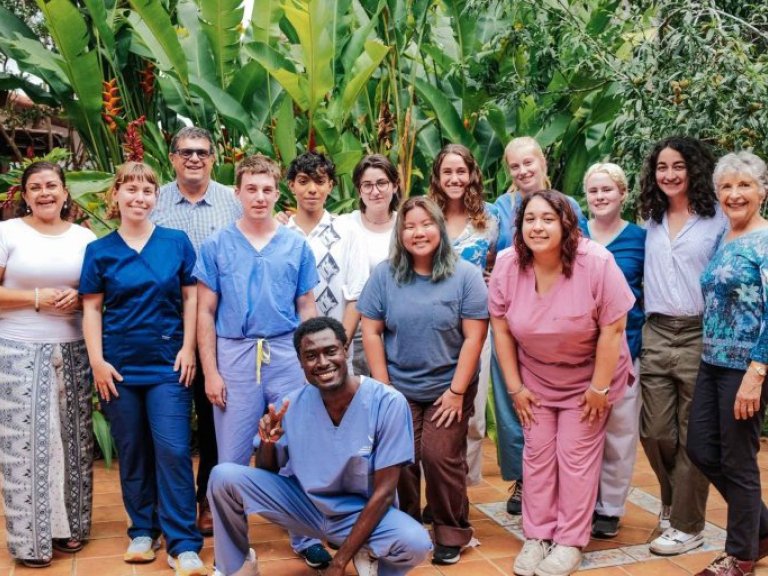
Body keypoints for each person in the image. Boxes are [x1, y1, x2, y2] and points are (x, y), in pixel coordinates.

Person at [207, 316, 433, 576]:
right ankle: (237, 566)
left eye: (331, 351)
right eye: (311, 355)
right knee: (223, 476)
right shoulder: (290, 404)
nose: (323, 362)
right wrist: (268, 445)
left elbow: (384, 493)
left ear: (345, 350)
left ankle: (372, 558)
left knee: (415, 541)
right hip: (305, 507)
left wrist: (339, 563)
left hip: (358, 513)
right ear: (300, 362)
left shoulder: (387, 402)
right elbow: (267, 473)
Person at [194, 154, 331, 568]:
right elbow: (204, 311)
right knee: (230, 459)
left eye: (267, 189)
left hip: (286, 352)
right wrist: (212, 372)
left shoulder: (294, 245)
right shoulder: (217, 244)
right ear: (237, 192)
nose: (259, 197)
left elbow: (307, 306)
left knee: (294, 446)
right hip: (235, 355)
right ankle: (232, 554)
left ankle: (304, 536)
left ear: (278, 193)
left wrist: (312, 367)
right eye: (251, 189)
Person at [489, 190, 634, 576]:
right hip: (536, 375)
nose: (537, 226)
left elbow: (613, 327)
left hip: (591, 375)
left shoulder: (596, 262)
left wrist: (599, 388)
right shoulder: (507, 264)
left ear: (566, 223)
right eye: (530, 219)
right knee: (536, 455)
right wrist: (516, 388)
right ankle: (537, 536)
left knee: (575, 458)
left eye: (548, 219)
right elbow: (500, 328)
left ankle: (569, 541)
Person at [80, 162, 206, 575]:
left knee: (172, 450)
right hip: (118, 368)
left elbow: (191, 299)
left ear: (156, 198)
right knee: (132, 450)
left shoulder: (176, 242)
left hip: (168, 365)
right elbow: (92, 309)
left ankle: (183, 543)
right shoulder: (99, 251)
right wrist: (97, 361)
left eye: (147, 190)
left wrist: (189, 349)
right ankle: (142, 531)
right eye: (130, 189)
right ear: (114, 195)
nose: (138, 197)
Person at [358, 197, 489, 565]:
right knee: (401, 458)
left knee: (439, 454)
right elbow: (371, 332)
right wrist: (385, 390)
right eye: (409, 226)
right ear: (400, 234)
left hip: (450, 385)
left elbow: (474, 339)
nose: (419, 232)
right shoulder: (385, 275)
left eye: (426, 224)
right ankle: (405, 527)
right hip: (398, 386)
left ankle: (452, 529)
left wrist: (455, 393)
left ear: (440, 229)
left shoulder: (465, 276)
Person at [0, 161, 95, 567]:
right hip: (19, 346)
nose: (44, 193)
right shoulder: (7, 233)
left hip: (73, 347)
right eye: (35, 187)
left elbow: (96, 291)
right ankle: (30, 542)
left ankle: (71, 529)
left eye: (51, 185)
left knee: (74, 442)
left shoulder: (85, 237)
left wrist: (78, 297)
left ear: (65, 191)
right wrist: (36, 297)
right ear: (24, 194)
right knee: (27, 448)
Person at [490, 136, 588, 516]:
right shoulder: (499, 208)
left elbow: (583, 256)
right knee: (513, 399)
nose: (523, 171)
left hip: (559, 321)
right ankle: (522, 479)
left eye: (528, 162)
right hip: (513, 319)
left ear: (542, 160)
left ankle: (565, 481)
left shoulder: (568, 205)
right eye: (515, 166)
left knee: (560, 401)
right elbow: (469, 237)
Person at [638, 136, 726, 556]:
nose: (669, 174)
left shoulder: (717, 219)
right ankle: (676, 503)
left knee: (694, 433)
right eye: (661, 167)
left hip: (698, 330)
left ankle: (687, 525)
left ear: (693, 169)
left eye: (677, 166)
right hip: (656, 329)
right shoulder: (651, 219)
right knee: (654, 430)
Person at [152, 126, 242, 535]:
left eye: (202, 153)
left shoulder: (232, 202)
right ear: (172, 158)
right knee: (166, 422)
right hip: (161, 326)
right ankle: (166, 503)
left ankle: (207, 499)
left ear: (213, 158)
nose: (194, 158)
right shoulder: (154, 202)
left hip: (215, 326)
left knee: (211, 420)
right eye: (185, 151)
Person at [687, 151, 768, 576]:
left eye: (744, 185)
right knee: (701, 448)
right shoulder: (726, 236)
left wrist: (757, 374)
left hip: (747, 366)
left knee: (738, 458)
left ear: (762, 192)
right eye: (727, 187)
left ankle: (740, 555)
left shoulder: (766, 240)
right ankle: (763, 527)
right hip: (712, 359)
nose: (734, 194)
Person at [582, 163, 646, 538]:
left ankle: (610, 507)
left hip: (627, 347)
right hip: (579, 352)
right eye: (594, 191)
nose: (601, 197)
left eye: (608, 190)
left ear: (623, 194)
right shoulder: (574, 235)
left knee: (620, 431)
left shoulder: (639, 239)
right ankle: (583, 501)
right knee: (583, 430)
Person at [428, 143, 498, 486]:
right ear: (438, 178)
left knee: (471, 416)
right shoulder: (426, 216)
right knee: (435, 410)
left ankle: (462, 492)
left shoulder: (490, 220)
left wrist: (492, 278)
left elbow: (500, 264)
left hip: (475, 326)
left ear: (471, 174)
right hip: (430, 328)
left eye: (461, 171)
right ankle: (438, 488)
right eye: (447, 172)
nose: (454, 178)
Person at [284, 152, 369, 345]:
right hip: (288, 351)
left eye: (320, 181)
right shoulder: (280, 235)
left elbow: (357, 294)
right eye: (303, 181)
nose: (312, 189)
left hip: (337, 348)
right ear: (291, 186)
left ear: (330, 186)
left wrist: (341, 343)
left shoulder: (348, 232)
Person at [337, 154, 400, 375]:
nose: (375, 191)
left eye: (382, 183)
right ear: (359, 190)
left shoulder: (407, 224)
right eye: (367, 185)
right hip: (356, 332)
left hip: (397, 330)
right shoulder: (343, 225)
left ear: (394, 185)